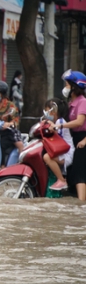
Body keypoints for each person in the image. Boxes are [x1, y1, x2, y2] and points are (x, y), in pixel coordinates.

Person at [54, 70, 86, 201]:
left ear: (74, 87)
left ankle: (81, 203)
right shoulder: (70, 103)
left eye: (67, 84)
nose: (65, 87)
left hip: (82, 139)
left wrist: (60, 126)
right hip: (73, 139)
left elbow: (79, 122)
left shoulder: (82, 102)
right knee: (71, 171)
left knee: (79, 172)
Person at [42, 98, 74, 191]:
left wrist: (53, 129)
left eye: (48, 110)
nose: (46, 112)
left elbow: (59, 138)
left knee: (47, 157)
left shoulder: (60, 122)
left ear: (54, 111)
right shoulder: (56, 122)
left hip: (66, 152)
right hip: (61, 151)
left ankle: (61, 180)